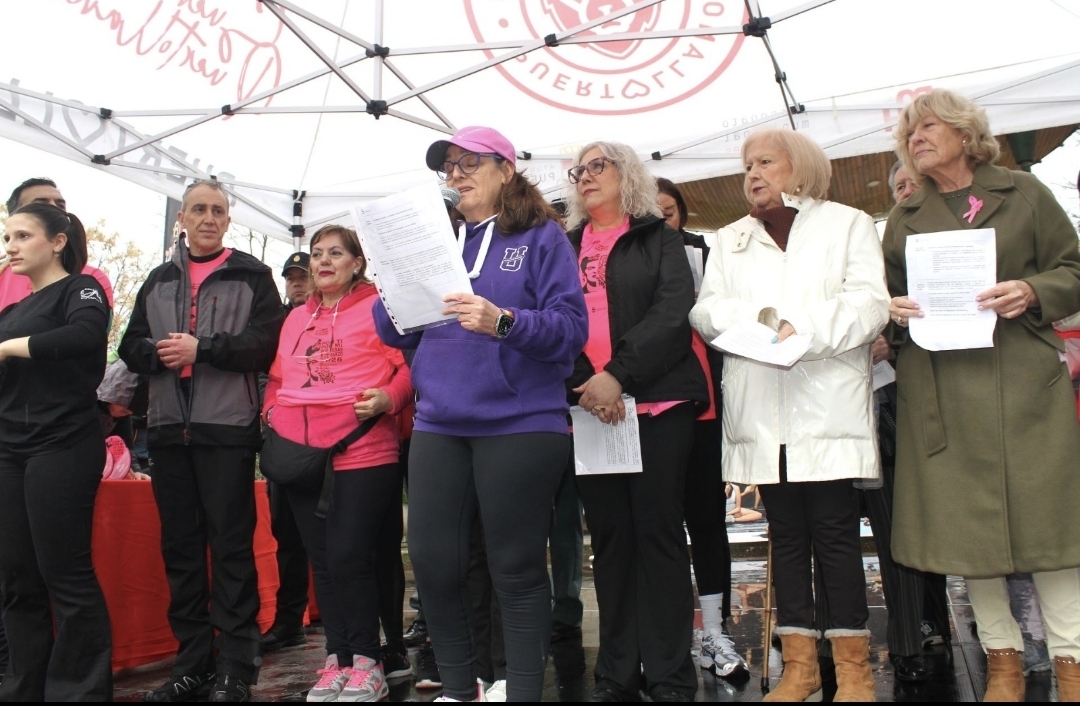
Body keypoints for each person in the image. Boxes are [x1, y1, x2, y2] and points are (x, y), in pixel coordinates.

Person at [374, 125, 588, 702]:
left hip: (520, 422)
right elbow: (394, 330)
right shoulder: (441, 240)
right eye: (449, 166)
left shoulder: (542, 237)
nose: (457, 174)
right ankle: (458, 687)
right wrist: (392, 278)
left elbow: (571, 329)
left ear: (506, 170)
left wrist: (505, 322)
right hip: (440, 421)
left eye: (470, 162)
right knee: (432, 562)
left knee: (514, 567)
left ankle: (522, 691)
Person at [883, 88, 1080, 702]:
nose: (916, 138)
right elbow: (887, 302)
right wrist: (892, 312)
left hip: (1026, 389)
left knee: (1054, 534)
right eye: (910, 132)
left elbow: (1074, 270)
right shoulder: (905, 216)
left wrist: (1033, 290)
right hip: (943, 392)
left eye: (928, 126)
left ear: (966, 134)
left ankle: (1072, 665)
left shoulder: (1025, 193)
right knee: (969, 536)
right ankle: (1002, 666)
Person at [690, 127, 889, 702]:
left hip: (827, 402)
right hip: (762, 407)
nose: (752, 174)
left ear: (799, 166)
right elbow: (707, 310)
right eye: (747, 166)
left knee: (835, 536)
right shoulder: (730, 238)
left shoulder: (848, 223)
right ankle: (800, 669)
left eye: (765, 162)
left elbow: (869, 302)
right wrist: (761, 325)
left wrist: (801, 330)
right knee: (788, 538)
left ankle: (854, 672)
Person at [119, 180, 285, 703]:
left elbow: (266, 343)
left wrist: (204, 349)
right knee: (181, 550)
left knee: (231, 549)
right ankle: (193, 664)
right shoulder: (159, 278)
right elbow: (129, 344)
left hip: (227, 431)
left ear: (229, 221)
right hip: (168, 430)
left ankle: (237, 666)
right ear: (183, 219)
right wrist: (157, 354)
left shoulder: (253, 275)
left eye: (217, 210)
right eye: (198, 209)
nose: (208, 218)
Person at [565, 142, 708, 703]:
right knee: (610, 541)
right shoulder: (564, 246)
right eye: (578, 170)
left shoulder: (658, 237)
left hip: (658, 404)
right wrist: (589, 383)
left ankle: (670, 675)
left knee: (658, 535)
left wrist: (617, 375)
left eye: (597, 165)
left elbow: (672, 314)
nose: (585, 176)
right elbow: (554, 321)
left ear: (627, 174)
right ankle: (616, 673)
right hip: (590, 407)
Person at [264, 224, 413, 702]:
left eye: (335, 253)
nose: (323, 261)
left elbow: (408, 368)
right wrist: (272, 414)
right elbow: (276, 378)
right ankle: (339, 658)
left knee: (350, 556)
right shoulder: (294, 318)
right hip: (301, 457)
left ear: (357, 263)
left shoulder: (379, 308)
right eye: (316, 254)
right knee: (323, 562)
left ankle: (369, 660)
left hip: (363, 451)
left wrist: (389, 398)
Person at [0, 203, 112, 700]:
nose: (11, 247)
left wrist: (8, 348)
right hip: (9, 449)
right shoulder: (9, 313)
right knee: (17, 579)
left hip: (62, 444)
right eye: (8, 238)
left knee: (65, 575)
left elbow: (85, 336)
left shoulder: (81, 289)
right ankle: (23, 688)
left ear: (58, 241)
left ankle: (78, 692)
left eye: (23, 236)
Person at [854, 161, 950, 683]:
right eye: (898, 187)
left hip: (921, 406)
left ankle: (923, 628)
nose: (906, 192)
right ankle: (866, 636)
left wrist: (895, 340)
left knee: (913, 524)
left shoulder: (953, 245)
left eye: (914, 183)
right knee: (888, 524)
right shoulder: (879, 253)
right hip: (872, 404)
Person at [656, 176, 747, 682]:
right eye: (652, 212)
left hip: (702, 404)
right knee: (658, 526)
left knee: (707, 519)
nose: (661, 221)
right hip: (647, 408)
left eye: (668, 212)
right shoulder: (623, 256)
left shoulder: (706, 253)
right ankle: (666, 639)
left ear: (683, 215)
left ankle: (715, 630)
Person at [261, 252, 313, 654]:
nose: (296, 282)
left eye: (302, 275)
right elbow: (269, 375)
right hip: (284, 438)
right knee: (287, 534)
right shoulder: (275, 320)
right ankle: (289, 619)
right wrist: (271, 414)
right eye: (290, 277)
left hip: (332, 439)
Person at [1, 178, 114, 310]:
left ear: (60, 241)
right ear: (15, 216)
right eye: (41, 205)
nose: (54, 208)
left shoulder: (91, 278)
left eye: (60, 205)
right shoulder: (2, 275)